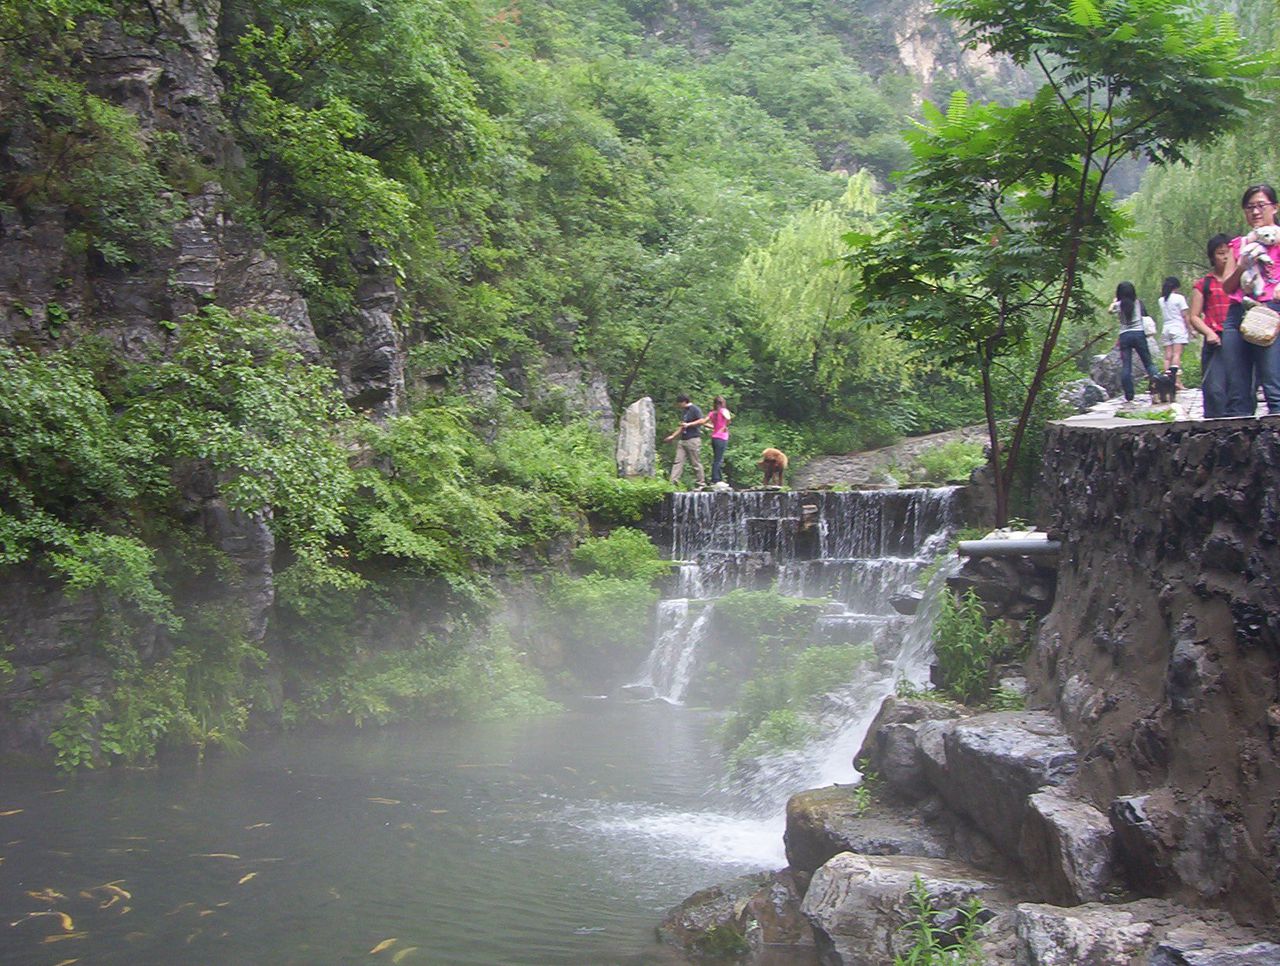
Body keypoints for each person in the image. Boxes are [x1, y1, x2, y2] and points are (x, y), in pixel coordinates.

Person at [1221, 184, 1280, 416]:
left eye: (1261, 206)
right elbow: (1227, 286)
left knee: (1273, 385)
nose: (1255, 212)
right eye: (1249, 207)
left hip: (1270, 311)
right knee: (1237, 390)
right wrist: (1241, 266)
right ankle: (1239, 448)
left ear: (1274, 208)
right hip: (1237, 314)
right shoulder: (1239, 244)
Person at [1187, 234, 1233, 418]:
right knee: (1214, 389)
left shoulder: (1241, 281)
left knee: (1239, 387)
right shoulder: (1203, 284)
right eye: (1221, 253)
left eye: (1229, 253)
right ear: (1212, 257)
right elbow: (1194, 316)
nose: (1226, 257)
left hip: (1238, 340)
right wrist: (1208, 333)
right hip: (1215, 342)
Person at [1109, 281, 1159, 402]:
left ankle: (1129, 395)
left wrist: (1115, 301)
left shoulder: (1118, 305)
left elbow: (1109, 311)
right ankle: (1158, 386)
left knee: (1126, 366)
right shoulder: (1137, 303)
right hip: (1138, 334)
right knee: (1148, 363)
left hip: (1124, 336)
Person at [663, 393, 705, 489]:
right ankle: (673, 482)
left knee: (695, 462)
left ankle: (701, 483)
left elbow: (702, 421)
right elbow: (682, 426)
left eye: (679, 403)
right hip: (683, 440)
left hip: (693, 439)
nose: (678, 405)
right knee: (678, 461)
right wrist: (672, 436)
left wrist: (689, 424)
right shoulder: (684, 412)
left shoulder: (695, 409)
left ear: (684, 402)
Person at [1157, 276, 1190, 388]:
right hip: (1177, 327)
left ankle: (1167, 382)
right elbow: (1185, 315)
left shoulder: (1161, 300)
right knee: (1176, 355)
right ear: (1176, 287)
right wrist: (1189, 329)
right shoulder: (1179, 298)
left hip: (1166, 328)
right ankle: (1177, 381)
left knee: (1167, 357)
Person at [703, 395, 733, 485]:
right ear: (723, 403)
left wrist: (714, 427)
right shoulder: (724, 410)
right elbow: (728, 419)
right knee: (719, 459)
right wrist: (724, 426)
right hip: (722, 437)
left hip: (714, 437)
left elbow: (704, 422)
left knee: (717, 458)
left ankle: (718, 478)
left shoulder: (712, 413)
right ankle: (715, 479)